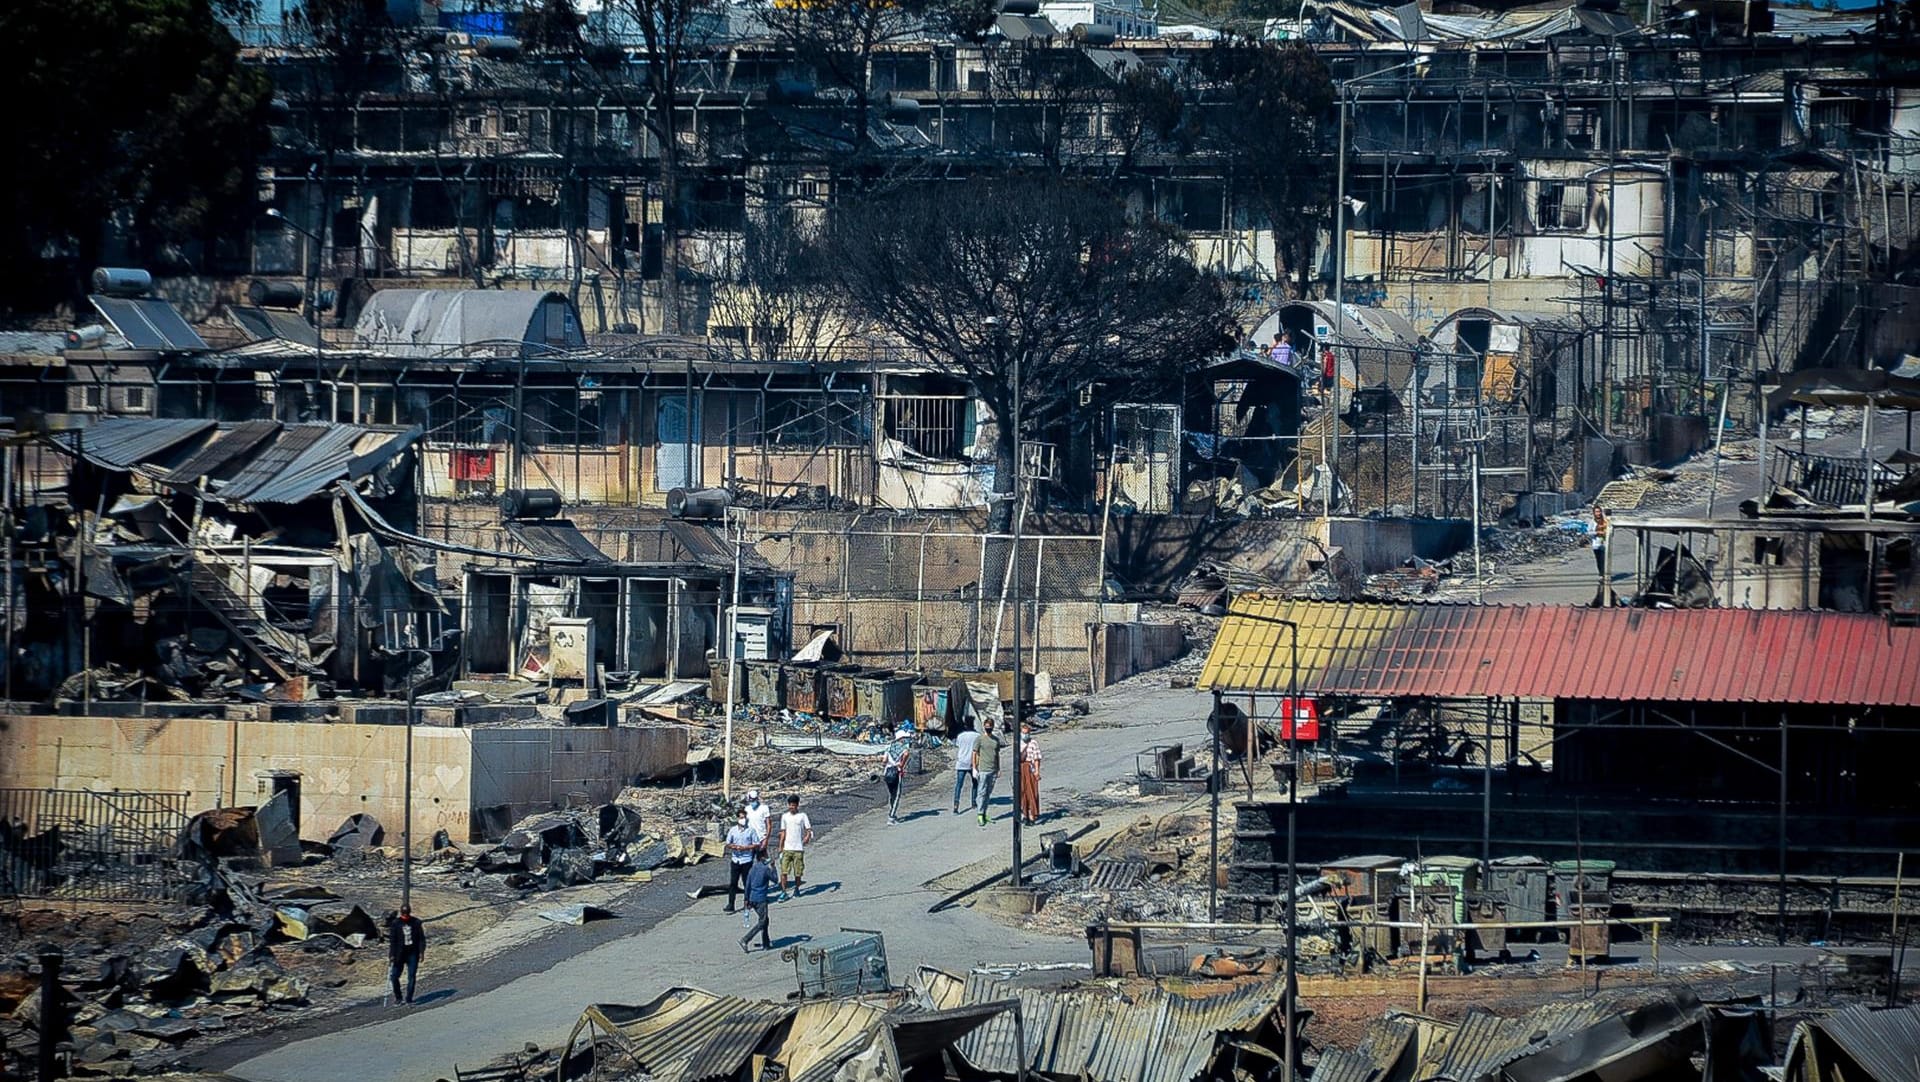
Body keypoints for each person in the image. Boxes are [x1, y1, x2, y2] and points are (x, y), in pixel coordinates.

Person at [722, 808, 760, 914]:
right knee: (733, 883)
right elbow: (728, 843)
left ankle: (748, 902)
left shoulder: (751, 830)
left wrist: (746, 848)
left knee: (746, 883)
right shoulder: (733, 830)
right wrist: (733, 846)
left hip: (746, 860)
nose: (743, 819)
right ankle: (731, 904)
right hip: (735, 860)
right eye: (741, 817)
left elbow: (756, 844)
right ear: (737, 818)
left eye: (744, 817)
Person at [386, 904, 426, 1006]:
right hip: (399, 954)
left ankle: (409, 999)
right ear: (401, 913)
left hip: (412, 953)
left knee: (411, 976)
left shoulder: (416, 922)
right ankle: (398, 997)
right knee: (394, 976)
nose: (405, 916)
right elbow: (393, 941)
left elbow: (421, 939)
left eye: (407, 913)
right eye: (404, 914)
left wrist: (421, 952)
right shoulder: (396, 923)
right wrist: (391, 955)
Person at [739, 849, 776, 953]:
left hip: (752, 898)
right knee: (762, 922)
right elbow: (775, 879)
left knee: (765, 920)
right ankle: (746, 939)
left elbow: (748, 885)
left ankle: (766, 943)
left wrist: (746, 899)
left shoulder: (752, 868)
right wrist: (773, 867)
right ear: (763, 857)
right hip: (761, 899)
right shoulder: (765, 869)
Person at [777, 794, 813, 900]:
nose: (791, 807)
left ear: (797, 805)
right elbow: (783, 832)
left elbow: (808, 830)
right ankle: (783, 891)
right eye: (790, 805)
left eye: (793, 805)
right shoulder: (784, 817)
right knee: (784, 871)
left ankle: (797, 888)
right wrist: (780, 846)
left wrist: (807, 837)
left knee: (798, 871)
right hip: (787, 848)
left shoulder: (802, 816)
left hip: (798, 848)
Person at [973, 722, 1003, 827]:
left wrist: (998, 768)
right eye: (986, 727)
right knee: (982, 792)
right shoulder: (980, 739)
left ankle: (984, 813)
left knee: (988, 793)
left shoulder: (996, 740)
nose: (988, 729)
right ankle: (980, 814)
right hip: (983, 769)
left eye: (990, 727)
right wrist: (974, 767)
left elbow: (997, 755)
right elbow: (975, 753)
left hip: (993, 770)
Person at [882, 728, 911, 824]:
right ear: (901, 738)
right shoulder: (903, 748)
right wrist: (902, 764)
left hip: (887, 772)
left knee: (891, 794)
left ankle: (893, 814)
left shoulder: (889, 746)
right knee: (897, 794)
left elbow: (884, 760)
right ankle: (891, 817)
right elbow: (907, 754)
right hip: (896, 772)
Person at [950, 722, 981, 814]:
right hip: (972, 763)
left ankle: (956, 804)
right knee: (975, 783)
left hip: (961, 763)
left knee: (959, 785)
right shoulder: (977, 736)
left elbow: (957, 745)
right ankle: (974, 802)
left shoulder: (960, 736)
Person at [1018, 726, 1043, 825]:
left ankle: (1032, 815)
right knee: (1022, 792)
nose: (1025, 735)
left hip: (1030, 768)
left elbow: (1037, 759)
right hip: (1021, 768)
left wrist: (1037, 771)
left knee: (1031, 791)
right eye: (1023, 732)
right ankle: (1025, 814)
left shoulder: (1033, 743)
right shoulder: (1018, 743)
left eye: (1026, 733)